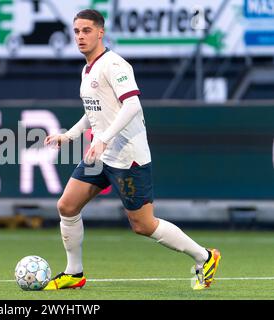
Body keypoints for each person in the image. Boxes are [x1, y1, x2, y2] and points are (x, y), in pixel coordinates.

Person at [43, 9, 221, 291]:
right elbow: (94, 111)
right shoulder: (87, 68)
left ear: (100, 32)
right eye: (76, 31)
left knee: (143, 225)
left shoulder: (114, 65)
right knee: (67, 205)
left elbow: (132, 105)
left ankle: (205, 256)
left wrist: (102, 139)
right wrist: (71, 135)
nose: (80, 37)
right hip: (101, 156)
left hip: (128, 157)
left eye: (86, 30)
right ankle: (74, 273)